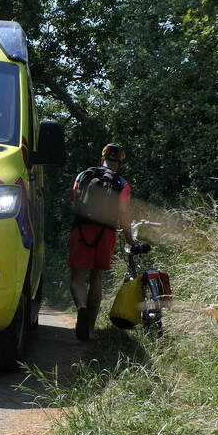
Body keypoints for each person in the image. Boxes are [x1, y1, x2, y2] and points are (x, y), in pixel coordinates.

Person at [68, 143, 138, 341]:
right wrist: (128, 237)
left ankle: (81, 307)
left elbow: (74, 199)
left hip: (82, 229)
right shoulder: (122, 183)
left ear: (103, 158)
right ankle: (89, 330)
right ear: (120, 161)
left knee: (77, 278)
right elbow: (124, 213)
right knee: (96, 279)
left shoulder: (83, 175)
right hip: (106, 233)